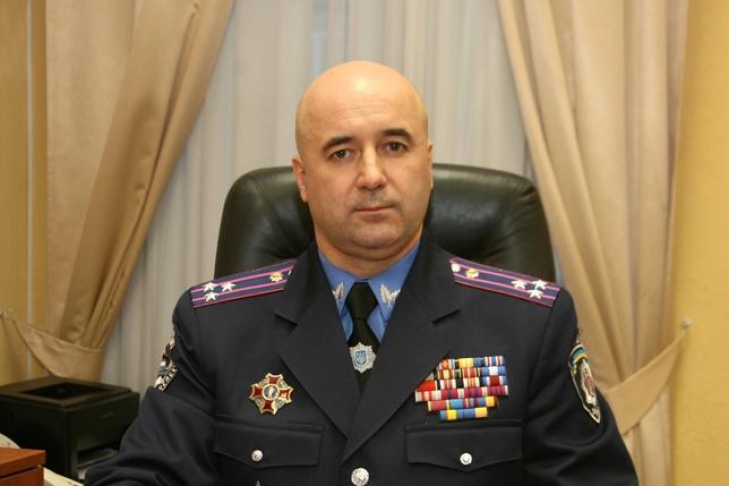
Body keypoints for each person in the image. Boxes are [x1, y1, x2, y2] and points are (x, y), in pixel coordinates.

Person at [87, 61, 637, 485]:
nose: (372, 175)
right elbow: (144, 474)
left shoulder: (529, 325)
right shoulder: (216, 326)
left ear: (427, 164)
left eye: (394, 146)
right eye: (342, 153)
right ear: (303, 179)